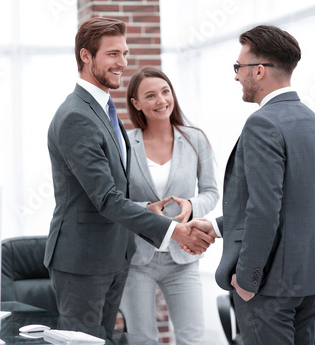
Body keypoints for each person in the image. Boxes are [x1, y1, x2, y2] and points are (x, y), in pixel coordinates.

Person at [45, 17, 215, 330]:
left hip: (114, 257)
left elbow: (117, 191)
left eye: (124, 53)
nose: (122, 63)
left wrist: (147, 211)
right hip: (83, 261)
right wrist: (174, 230)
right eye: (112, 54)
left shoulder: (104, 111)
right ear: (86, 56)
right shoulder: (76, 116)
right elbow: (107, 199)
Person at [188, 25, 315, 345]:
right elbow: (290, 203)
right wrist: (217, 226)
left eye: (239, 67)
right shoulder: (313, 121)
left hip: (269, 285)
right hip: (309, 281)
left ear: (260, 71)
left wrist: (249, 279)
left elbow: (265, 209)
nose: (236, 76)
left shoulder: (262, 122)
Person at [119, 66, 219, 344]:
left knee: (192, 338)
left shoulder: (195, 139)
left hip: (183, 257)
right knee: (141, 339)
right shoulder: (126, 145)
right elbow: (118, 201)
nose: (161, 100)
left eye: (165, 92)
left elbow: (211, 192)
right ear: (136, 104)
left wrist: (190, 204)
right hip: (138, 258)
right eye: (150, 96)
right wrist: (146, 210)